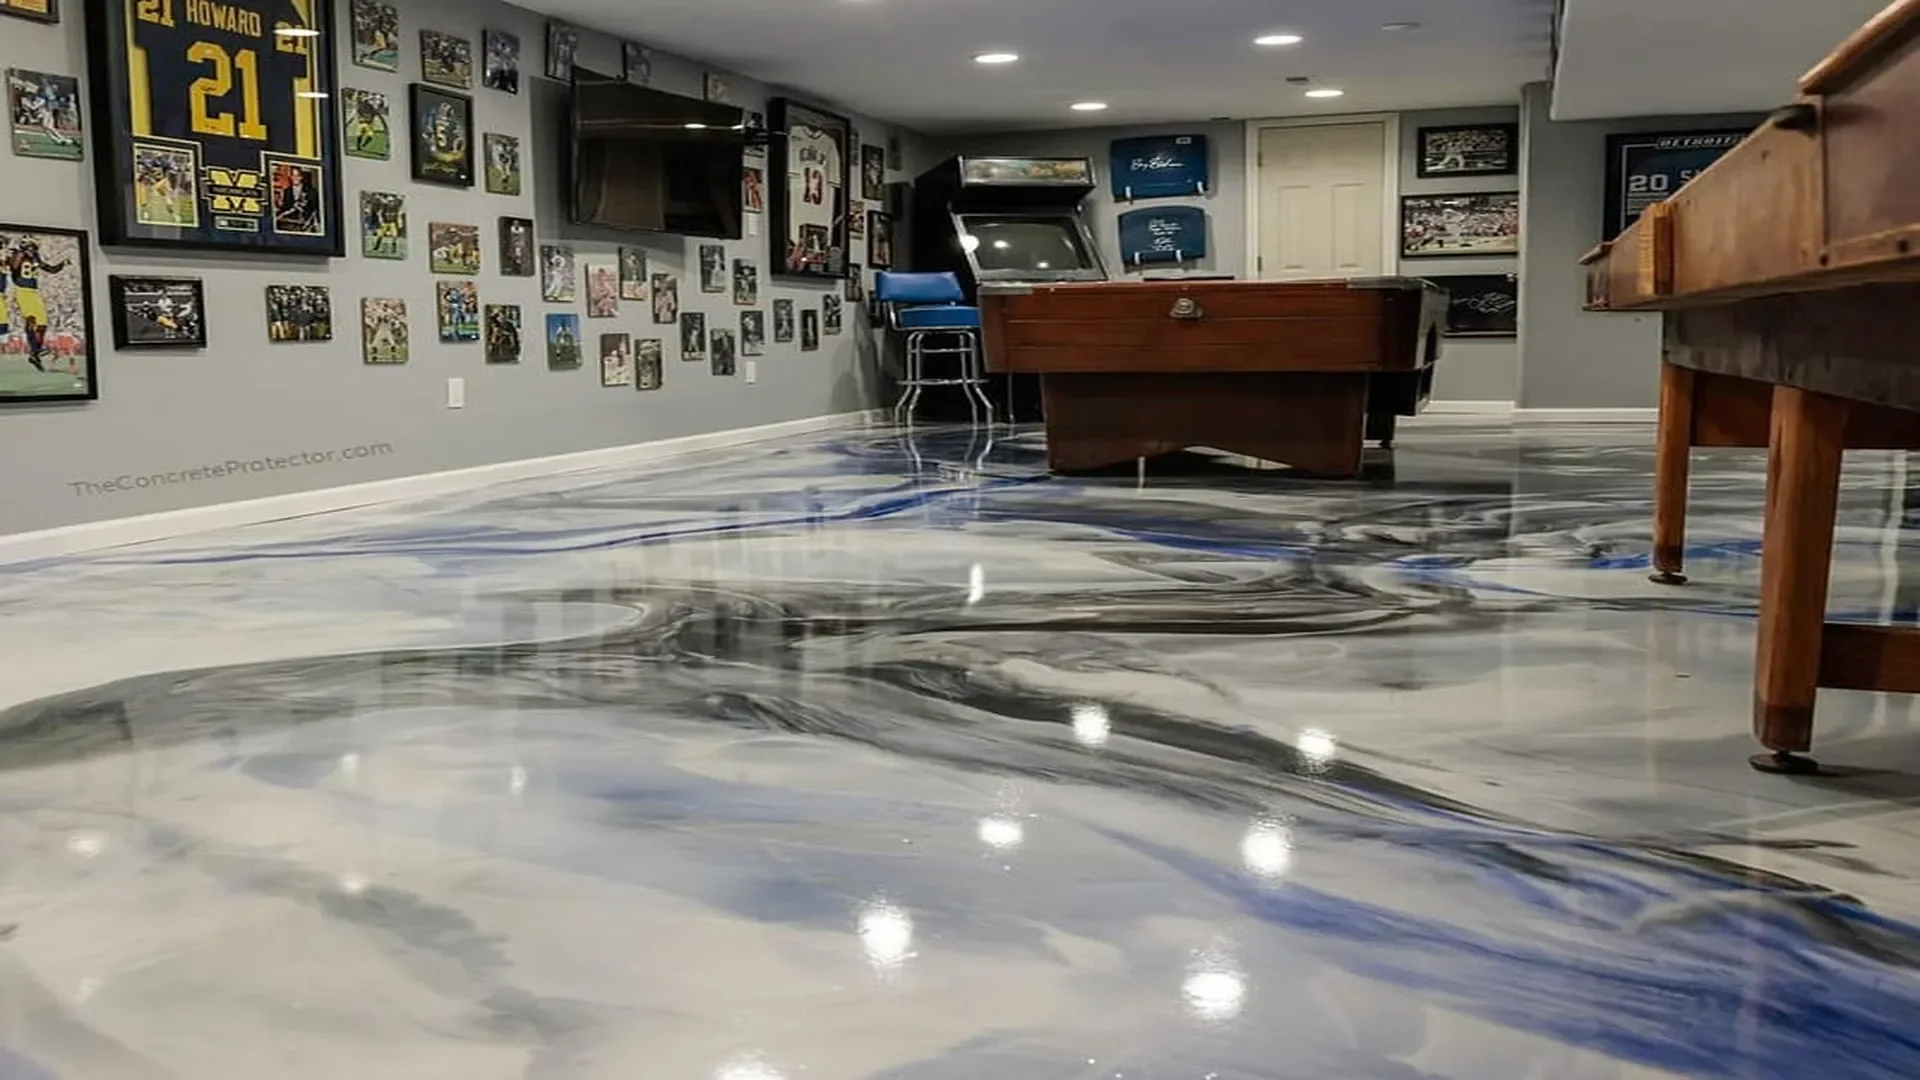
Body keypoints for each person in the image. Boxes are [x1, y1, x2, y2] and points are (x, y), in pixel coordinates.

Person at [6, 238, 67, 371]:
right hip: (22, 291)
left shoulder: (35, 259)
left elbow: (51, 269)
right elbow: (13, 268)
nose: (33, 250)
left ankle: (35, 353)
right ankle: (35, 350)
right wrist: (16, 255)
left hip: (34, 293)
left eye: (34, 248)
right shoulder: (19, 255)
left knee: (42, 324)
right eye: (30, 247)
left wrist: (63, 263)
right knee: (31, 319)